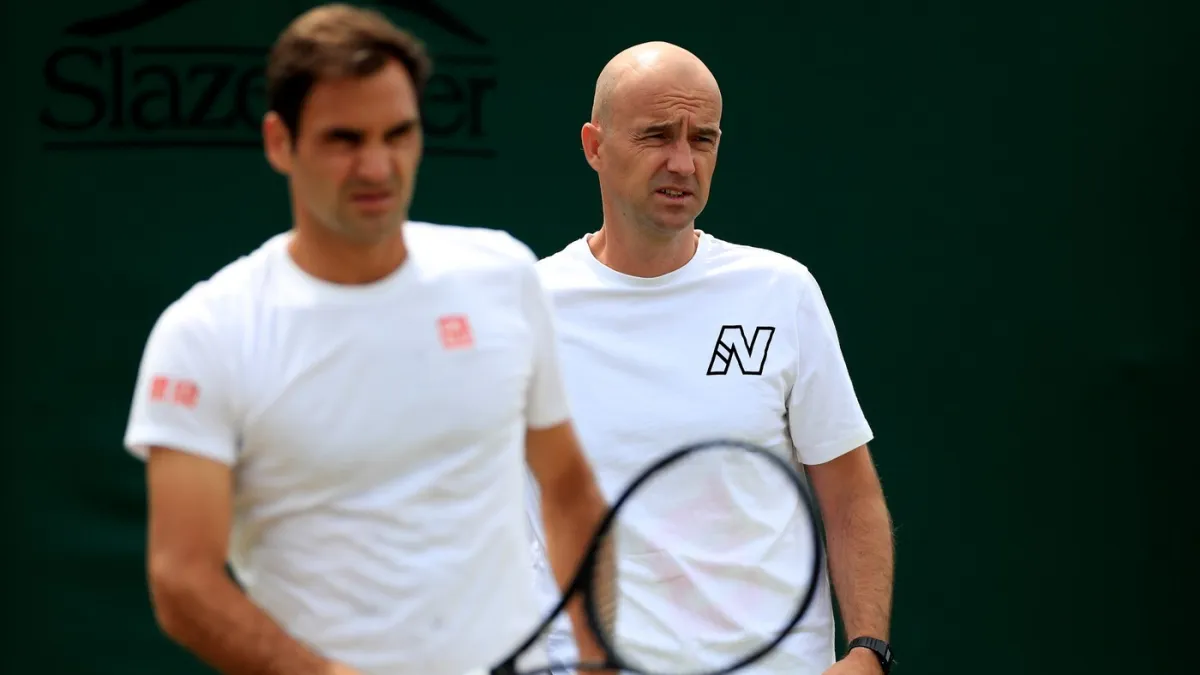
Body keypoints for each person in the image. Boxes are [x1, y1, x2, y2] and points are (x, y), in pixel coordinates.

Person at [122, 5, 614, 675]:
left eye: (398, 133)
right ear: (279, 142)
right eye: (344, 139)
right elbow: (181, 581)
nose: (378, 166)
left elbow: (568, 488)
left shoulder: (502, 274)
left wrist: (597, 657)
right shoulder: (204, 334)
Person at [525, 42, 895, 675]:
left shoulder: (781, 291)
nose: (683, 162)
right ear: (594, 146)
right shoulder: (524, 308)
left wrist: (868, 651)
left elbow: (850, 493)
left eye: (703, 139)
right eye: (656, 135)